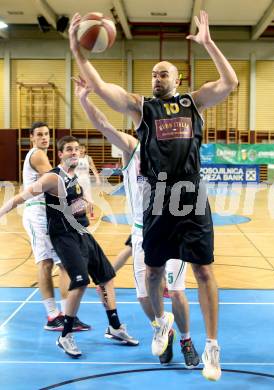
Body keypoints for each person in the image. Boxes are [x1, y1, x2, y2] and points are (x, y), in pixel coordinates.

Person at [69, 10, 238, 380]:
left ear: (178, 79)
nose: (156, 77)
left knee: (204, 271)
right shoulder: (141, 107)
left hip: (191, 194)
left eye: (163, 73)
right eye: (153, 74)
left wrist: (208, 43)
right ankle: (162, 324)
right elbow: (100, 88)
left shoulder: (194, 103)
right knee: (152, 273)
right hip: (158, 198)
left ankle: (211, 347)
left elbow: (230, 81)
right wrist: (76, 49)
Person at [75, 77, 199, 368]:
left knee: (177, 291)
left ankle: (186, 339)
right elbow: (104, 125)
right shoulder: (134, 147)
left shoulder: (175, 149)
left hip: (173, 229)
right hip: (143, 231)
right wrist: (84, 99)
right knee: (144, 295)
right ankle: (162, 328)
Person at [0, 135, 139, 358]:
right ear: (61, 154)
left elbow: (75, 198)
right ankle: (65, 335)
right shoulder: (52, 178)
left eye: (77, 149)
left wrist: (86, 204)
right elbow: (19, 198)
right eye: (69, 150)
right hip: (64, 237)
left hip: (82, 233)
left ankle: (114, 327)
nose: (74, 152)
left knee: (106, 277)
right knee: (81, 281)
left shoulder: (74, 176)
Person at [22, 121, 89, 332]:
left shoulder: (44, 155)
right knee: (46, 262)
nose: (44, 138)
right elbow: (58, 179)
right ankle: (53, 315)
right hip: (36, 213)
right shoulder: (37, 154)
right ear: (31, 138)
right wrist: (80, 199)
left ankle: (68, 314)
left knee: (63, 264)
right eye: (39, 134)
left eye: (46, 134)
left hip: (50, 213)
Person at [75, 143, 101, 218]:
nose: (81, 150)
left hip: (86, 180)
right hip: (77, 180)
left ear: (85, 149)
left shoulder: (88, 158)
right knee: (77, 198)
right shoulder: (74, 158)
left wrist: (98, 179)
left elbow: (94, 169)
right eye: (80, 148)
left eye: (83, 148)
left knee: (88, 197)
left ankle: (91, 212)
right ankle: (78, 213)